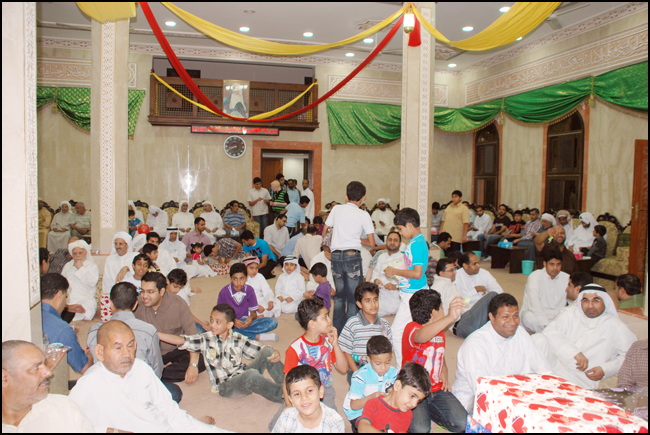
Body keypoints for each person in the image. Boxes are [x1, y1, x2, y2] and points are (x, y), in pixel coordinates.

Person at [69, 321, 225, 432]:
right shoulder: (89, 384)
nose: (126, 354)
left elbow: (169, 410)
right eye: (118, 348)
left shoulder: (140, 368)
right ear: (100, 352)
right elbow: (69, 426)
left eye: (130, 346)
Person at [160, 303, 285, 404]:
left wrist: (274, 352)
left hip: (242, 373)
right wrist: (156, 333)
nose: (212, 325)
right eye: (211, 320)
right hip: (226, 386)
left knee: (268, 352)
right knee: (251, 375)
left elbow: (261, 350)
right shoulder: (206, 339)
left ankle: (289, 385)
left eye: (218, 322)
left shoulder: (238, 338)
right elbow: (180, 340)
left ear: (229, 325)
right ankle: (283, 397)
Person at [84, 282, 184, 403]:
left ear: (110, 304)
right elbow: (156, 370)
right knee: (174, 392)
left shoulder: (95, 330)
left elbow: (95, 365)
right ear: (135, 304)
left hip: (108, 392)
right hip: (139, 393)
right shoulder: (148, 330)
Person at [452, 293, 552, 413]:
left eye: (515, 316)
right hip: (476, 400)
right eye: (505, 317)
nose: (512, 322)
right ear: (492, 317)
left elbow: (542, 367)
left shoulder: (520, 332)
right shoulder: (475, 344)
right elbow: (483, 389)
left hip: (516, 393)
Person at [532, 283, 637, 390]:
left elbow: (631, 355)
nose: (590, 306)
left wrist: (605, 369)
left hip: (581, 379)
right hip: (556, 366)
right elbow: (549, 331)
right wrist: (574, 353)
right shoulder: (571, 314)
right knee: (538, 339)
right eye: (586, 300)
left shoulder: (615, 325)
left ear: (605, 302)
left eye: (596, 300)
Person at [404, 289, 468, 433]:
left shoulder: (439, 332)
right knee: (420, 430)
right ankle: (421, 412)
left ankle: (428, 411)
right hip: (413, 390)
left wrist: (444, 367)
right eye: (442, 307)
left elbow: (437, 352)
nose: (444, 310)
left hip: (436, 389)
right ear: (434, 313)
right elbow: (422, 337)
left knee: (462, 423)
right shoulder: (411, 328)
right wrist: (450, 316)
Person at [1, 340, 94, 432]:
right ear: (4, 377)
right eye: (35, 368)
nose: (48, 372)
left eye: (44, 364)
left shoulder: (65, 409)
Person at [134, 272, 206, 384]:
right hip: (149, 353)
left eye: (150, 292)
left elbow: (193, 336)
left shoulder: (178, 304)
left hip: (175, 349)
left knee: (200, 360)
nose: (144, 296)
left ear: (162, 291)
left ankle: (155, 375)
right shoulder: (136, 304)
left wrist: (193, 365)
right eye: (142, 291)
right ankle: (156, 375)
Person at [323, 181, 376, 334]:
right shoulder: (364, 214)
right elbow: (371, 243)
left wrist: (331, 245)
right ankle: (350, 333)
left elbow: (325, 231)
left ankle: (337, 332)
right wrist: (355, 239)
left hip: (336, 256)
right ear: (363, 198)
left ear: (346, 196)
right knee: (353, 297)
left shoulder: (336, 209)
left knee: (339, 297)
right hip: (352, 256)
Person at [384, 208, 431, 367]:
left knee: (396, 332)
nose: (400, 233)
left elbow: (417, 273)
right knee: (412, 329)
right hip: (413, 291)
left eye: (400, 229)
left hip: (413, 294)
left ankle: (402, 368)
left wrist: (395, 271)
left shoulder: (416, 244)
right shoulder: (417, 241)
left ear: (409, 225)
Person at [283, 298, 348, 413]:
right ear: (312, 324)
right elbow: (286, 381)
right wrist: (289, 406)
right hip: (301, 392)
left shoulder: (328, 342)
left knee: (331, 419)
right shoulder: (295, 349)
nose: (329, 320)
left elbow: (343, 369)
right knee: (282, 419)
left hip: (325, 391)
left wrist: (335, 345)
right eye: (325, 317)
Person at [339, 283, 393, 385]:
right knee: (359, 392)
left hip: (379, 367)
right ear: (359, 304)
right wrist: (357, 373)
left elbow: (389, 350)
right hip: (358, 367)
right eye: (367, 301)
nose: (373, 304)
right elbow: (347, 352)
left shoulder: (384, 324)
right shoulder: (352, 324)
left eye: (375, 299)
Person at [40, 273, 93, 375]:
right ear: (59, 295)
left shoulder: (29, 315)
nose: (65, 303)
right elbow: (84, 368)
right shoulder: (62, 330)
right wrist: (92, 349)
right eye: (66, 297)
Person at [343, 336, 398, 432]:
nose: (383, 368)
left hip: (379, 409)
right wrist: (372, 397)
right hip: (358, 412)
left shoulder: (393, 373)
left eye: (387, 362)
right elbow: (354, 405)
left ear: (391, 356)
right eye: (378, 363)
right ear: (368, 359)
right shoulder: (360, 377)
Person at [433, 258, 499, 338]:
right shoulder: (440, 284)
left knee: (489, 307)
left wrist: (474, 292)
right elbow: (433, 305)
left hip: (466, 317)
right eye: (451, 270)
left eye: (454, 269)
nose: (455, 272)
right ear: (442, 273)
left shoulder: (451, 284)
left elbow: (463, 302)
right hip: (461, 324)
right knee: (492, 295)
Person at [272, 365, 344, 433]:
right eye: (297, 394)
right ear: (291, 400)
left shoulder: (334, 422)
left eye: (309, 391)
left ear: (321, 391)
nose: (304, 397)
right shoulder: (286, 417)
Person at [216, 263, 279, 341]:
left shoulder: (249, 290)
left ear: (246, 278)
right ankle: (256, 336)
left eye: (242, 278)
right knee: (223, 327)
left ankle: (238, 335)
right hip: (230, 322)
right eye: (235, 279)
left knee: (273, 322)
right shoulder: (224, 292)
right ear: (231, 279)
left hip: (245, 322)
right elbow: (219, 315)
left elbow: (254, 314)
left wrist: (251, 318)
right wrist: (233, 321)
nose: (239, 282)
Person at [520, 248, 570, 333]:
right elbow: (534, 304)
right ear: (545, 264)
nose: (555, 268)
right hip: (537, 317)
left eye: (558, 264)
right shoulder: (535, 276)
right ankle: (551, 333)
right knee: (527, 317)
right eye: (552, 264)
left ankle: (550, 333)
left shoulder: (566, 278)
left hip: (557, 317)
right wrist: (545, 324)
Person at [453, 252, 503, 320]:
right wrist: (474, 290)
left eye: (478, 262)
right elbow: (459, 301)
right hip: (467, 309)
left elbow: (499, 291)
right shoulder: (456, 277)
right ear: (465, 265)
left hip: (485, 307)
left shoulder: (484, 273)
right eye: (475, 264)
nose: (478, 266)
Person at [102, 232, 138, 321]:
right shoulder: (110, 260)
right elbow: (106, 280)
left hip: (132, 293)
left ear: (127, 245)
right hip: (115, 294)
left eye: (120, 244)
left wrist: (127, 268)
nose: (117, 246)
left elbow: (141, 269)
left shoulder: (134, 256)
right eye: (116, 243)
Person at [367, 230, 403, 317]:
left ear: (400, 243)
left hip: (395, 296)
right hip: (379, 293)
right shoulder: (382, 256)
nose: (392, 242)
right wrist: (376, 280)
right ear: (386, 242)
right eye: (390, 240)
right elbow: (375, 272)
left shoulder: (404, 259)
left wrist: (395, 286)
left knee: (369, 309)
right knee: (365, 304)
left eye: (395, 240)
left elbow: (408, 281)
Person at [61, 239, 98, 321]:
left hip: (84, 298)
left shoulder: (92, 266)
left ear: (86, 252)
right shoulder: (67, 265)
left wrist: (81, 267)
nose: (77, 255)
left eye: (80, 252)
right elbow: (62, 282)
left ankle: (71, 313)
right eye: (75, 253)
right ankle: (70, 311)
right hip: (69, 299)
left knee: (90, 304)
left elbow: (92, 282)